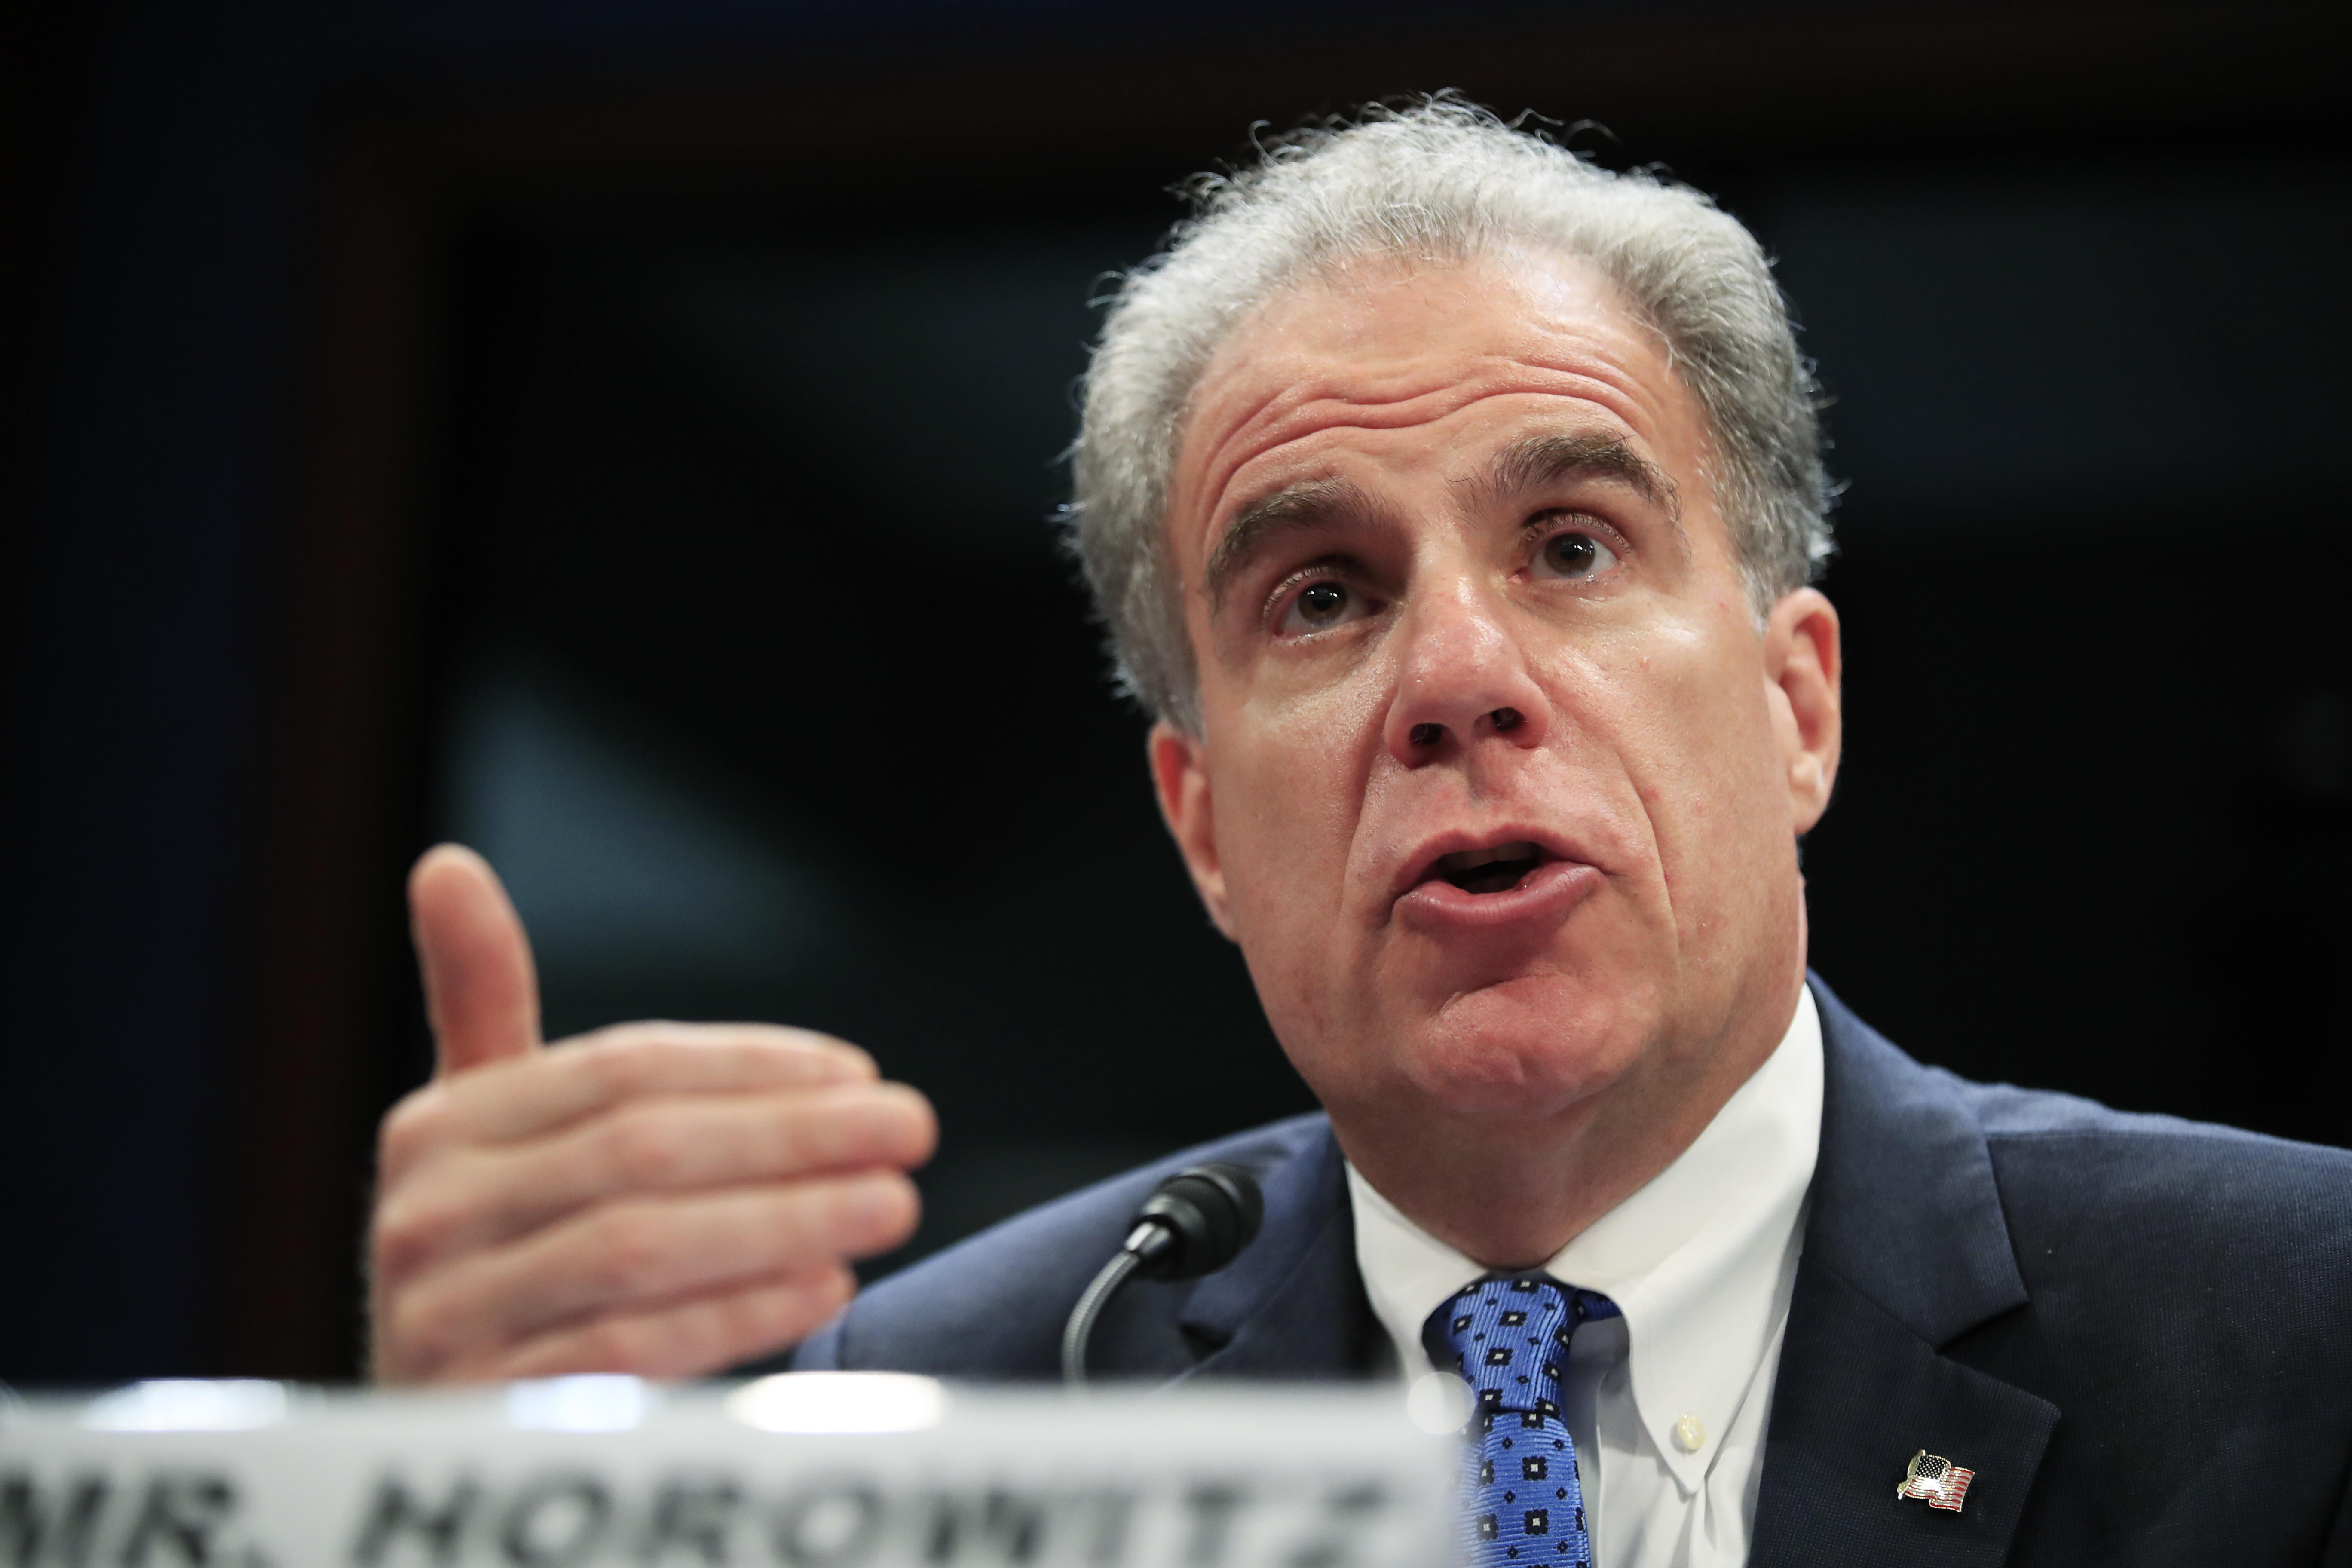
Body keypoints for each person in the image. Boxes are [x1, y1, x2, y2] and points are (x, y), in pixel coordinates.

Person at [366, 101, 2352, 1565]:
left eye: (1572, 546)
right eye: (1320, 593)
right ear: (1207, 825)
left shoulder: (2291, 1322)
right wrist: (446, 1513)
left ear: (1794, 705)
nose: (1456, 675)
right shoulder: (935, 1421)